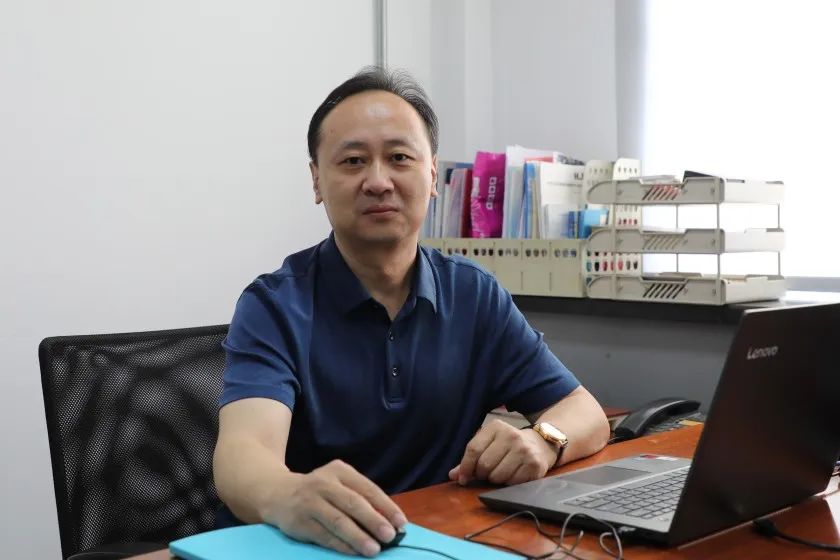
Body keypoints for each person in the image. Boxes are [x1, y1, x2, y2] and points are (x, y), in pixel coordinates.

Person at [212, 66, 610, 557]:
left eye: (399, 157)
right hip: (316, 545)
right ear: (317, 180)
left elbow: (586, 413)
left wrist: (544, 440)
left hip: (437, 540)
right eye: (353, 161)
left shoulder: (473, 294)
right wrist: (286, 494)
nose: (378, 181)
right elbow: (242, 455)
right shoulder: (274, 305)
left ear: (432, 175)